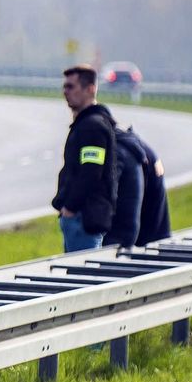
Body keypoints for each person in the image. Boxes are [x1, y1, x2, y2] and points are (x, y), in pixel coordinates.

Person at [52, 65, 117, 252]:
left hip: (84, 219)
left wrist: (70, 208)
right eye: (64, 86)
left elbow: (91, 172)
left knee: (80, 277)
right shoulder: (85, 124)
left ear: (90, 89)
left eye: (71, 87)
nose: (65, 92)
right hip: (80, 217)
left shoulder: (92, 127)